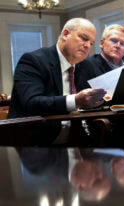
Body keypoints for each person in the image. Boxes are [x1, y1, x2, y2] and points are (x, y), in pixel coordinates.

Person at [8, 18, 106, 146]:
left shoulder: (86, 66)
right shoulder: (33, 61)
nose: (87, 45)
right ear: (65, 34)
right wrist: (75, 101)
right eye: (83, 38)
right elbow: (32, 103)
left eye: (91, 43)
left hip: (79, 139)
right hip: (36, 141)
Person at [76, 24, 124, 91]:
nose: (118, 46)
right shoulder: (88, 65)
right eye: (113, 41)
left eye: (122, 43)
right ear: (102, 43)